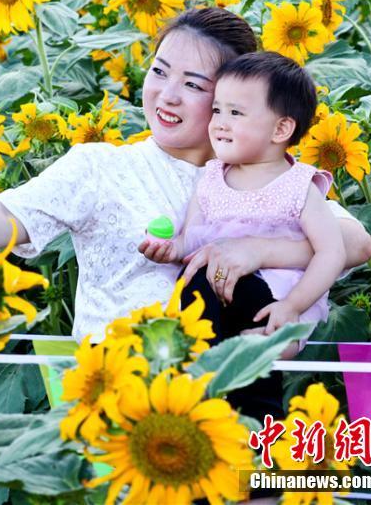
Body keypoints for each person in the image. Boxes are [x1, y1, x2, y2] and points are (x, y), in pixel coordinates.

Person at [0, 7, 371, 345]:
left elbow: (354, 243)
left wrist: (255, 251)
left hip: (234, 401)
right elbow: (9, 213)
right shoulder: (104, 167)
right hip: (118, 393)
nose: (167, 95)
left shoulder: (262, 177)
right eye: (159, 72)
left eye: (193, 84)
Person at [142, 51, 344, 360]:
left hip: (277, 301)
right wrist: (172, 249)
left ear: (280, 130)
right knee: (196, 286)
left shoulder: (299, 185)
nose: (220, 123)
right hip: (213, 295)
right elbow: (193, 238)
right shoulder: (211, 178)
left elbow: (332, 251)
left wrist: (293, 306)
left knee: (260, 361)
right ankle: (203, 374)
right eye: (217, 110)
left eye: (235, 113)